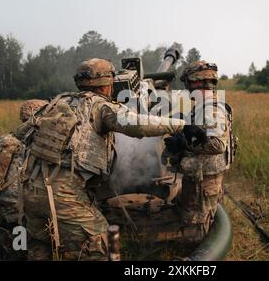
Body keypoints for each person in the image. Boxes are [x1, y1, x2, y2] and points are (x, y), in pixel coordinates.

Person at [20, 58, 185, 260]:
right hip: (62, 194)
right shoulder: (100, 106)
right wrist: (181, 125)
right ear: (108, 85)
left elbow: (20, 137)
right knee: (101, 244)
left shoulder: (57, 102)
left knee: (43, 246)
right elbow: (138, 124)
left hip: (29, 190)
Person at [165, 60, 234, 242]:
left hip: (205, 179)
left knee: (196, 227)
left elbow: (218, 144)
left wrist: (185, 144)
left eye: (188, 82)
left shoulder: (211, 108)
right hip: (201, 175)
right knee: (196, 214)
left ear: (195, 82)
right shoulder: (205, 104)